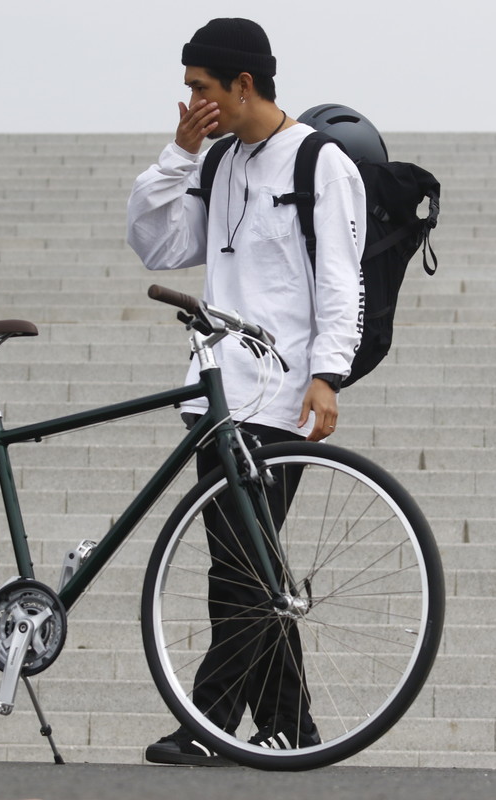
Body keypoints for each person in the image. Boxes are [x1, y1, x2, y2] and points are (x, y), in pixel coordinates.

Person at [126, 17, 366, 766]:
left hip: (282, 399)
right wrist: (180, 154)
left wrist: (329, 372)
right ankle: (294, 734)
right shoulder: (220, 159)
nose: (192, 100)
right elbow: (157, 244)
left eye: (201, 87)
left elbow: (341, 278)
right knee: (249, 568)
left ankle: (207, 723)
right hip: (217, 399)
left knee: (239, 564)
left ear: (243, 83)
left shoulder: (320, 164)